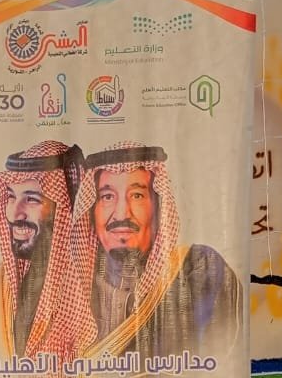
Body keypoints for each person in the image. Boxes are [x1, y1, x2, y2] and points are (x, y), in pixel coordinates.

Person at [70, 143, 243, 365]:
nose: (121, 213)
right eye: (107, 197)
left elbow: (215, 363)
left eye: (137, 195)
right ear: (91, 212)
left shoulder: (199, 270)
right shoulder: (71, 290)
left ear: (159, 207)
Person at [0, 141, 84, 366]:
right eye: (11, 197)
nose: (15, 214)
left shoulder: (89, 288)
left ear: (64, 207)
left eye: (32, 199)